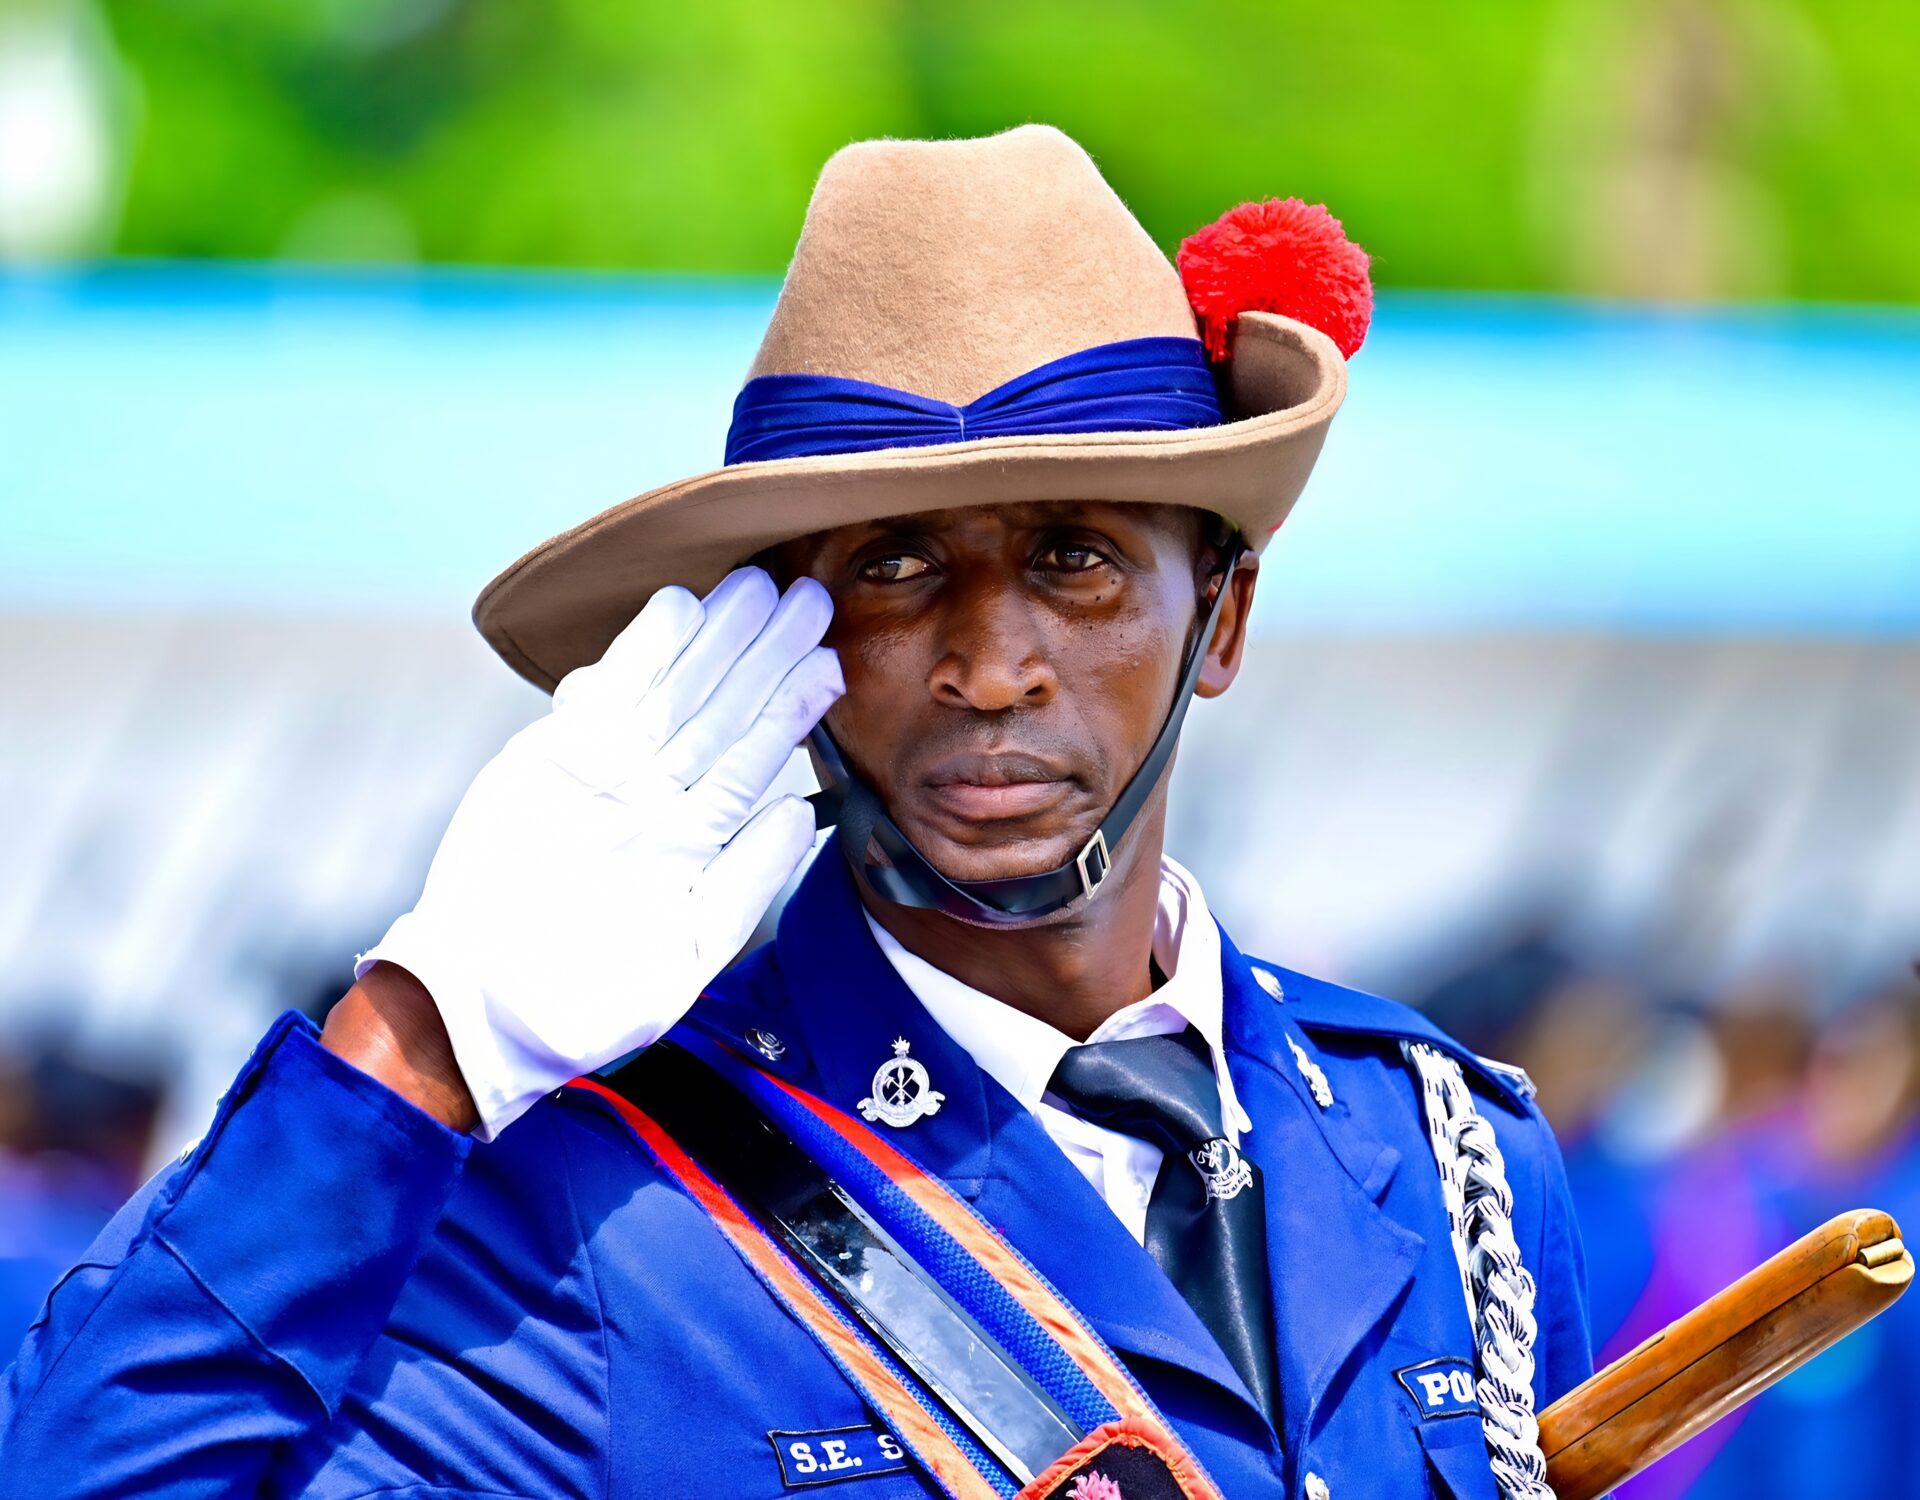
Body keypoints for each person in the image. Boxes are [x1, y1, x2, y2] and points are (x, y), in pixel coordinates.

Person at [0, 126, 1591, 1500]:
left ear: (1221, 623)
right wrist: (413, 1044)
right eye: (896, 568)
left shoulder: (1445, 1155)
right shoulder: (587, 1218)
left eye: (1074, 558)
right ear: (787, 646)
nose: (988, 665)